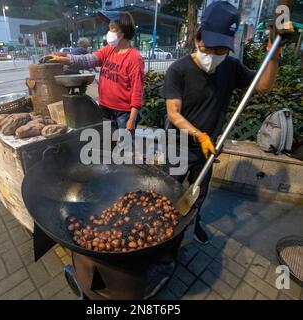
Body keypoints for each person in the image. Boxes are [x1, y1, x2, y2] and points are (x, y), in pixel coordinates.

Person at [163, 1, 294, 244]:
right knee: (171, 190)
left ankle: (194, 220)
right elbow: (173, 113)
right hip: (178, 145)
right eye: (209, 48)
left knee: (199, 192)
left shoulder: (231, 68)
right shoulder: (178, 70)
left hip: (209, 146)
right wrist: (199, 134)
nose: (213, 56)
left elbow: (263, 86)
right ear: (197, 40)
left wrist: (273, 54)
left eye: (221, 51)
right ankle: (165, 230)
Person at [44, 11, 144, 131]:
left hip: (124, 113)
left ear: (122, 32)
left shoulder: (134, 58)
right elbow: (87, 60)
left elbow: (137, 91)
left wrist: (132, 119)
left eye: (112, 28)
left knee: (125, 146)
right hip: (105, 108)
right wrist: (65, 59)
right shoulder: (109, 50)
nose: (109, 32)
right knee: (107, 144)